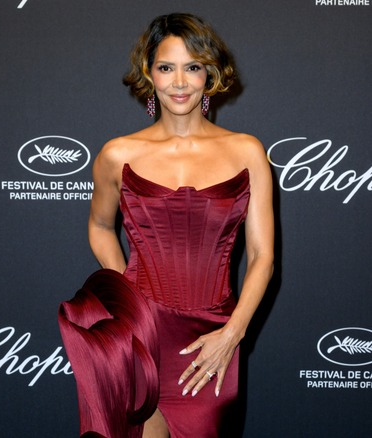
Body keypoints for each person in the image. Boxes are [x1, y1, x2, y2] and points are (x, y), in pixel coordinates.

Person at [61, 12, 274, 438]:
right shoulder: (118, 154)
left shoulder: (247, 151)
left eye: (192, 67)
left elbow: (263, 256)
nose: (179, 82)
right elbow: (101, 227)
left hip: (211, 339)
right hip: (140, 334)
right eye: (166, 67)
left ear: (209, 74)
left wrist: (233, 333)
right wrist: (126, 298)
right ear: (149, 73)